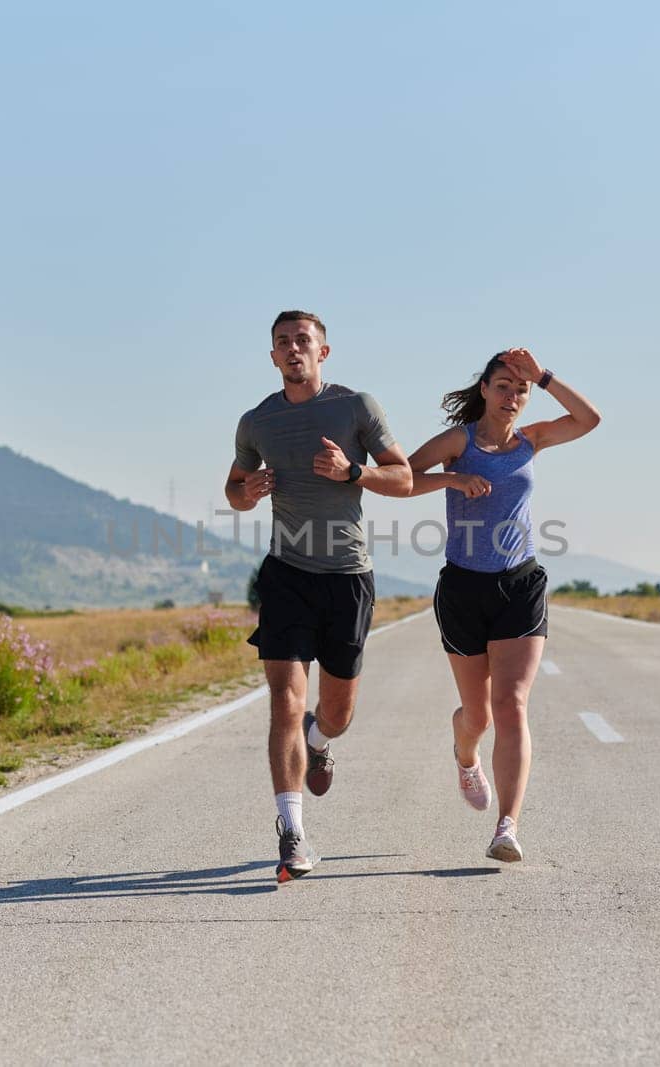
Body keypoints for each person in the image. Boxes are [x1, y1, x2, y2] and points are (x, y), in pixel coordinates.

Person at [226, 310, 413, 883]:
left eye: (302, 341)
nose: (292, 349)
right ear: (273, 355)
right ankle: (292, 833)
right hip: (287, 574)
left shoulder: (356, 407)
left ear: (323, 352)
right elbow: (233, 489)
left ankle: (320, 739)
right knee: (283, 699)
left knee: (337, 713)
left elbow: (403, 478)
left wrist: (351, 472)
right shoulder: (257, 422)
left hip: (347, 578)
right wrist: (247, 492)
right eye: (282, 343)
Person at [406, 348, 600, 862]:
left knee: (511, 704)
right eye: (503, 386)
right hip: (464, 588)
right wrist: (451, 478)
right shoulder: (459, 440)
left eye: (521, 389)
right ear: (485, 389)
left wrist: (547, 376)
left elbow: (589, 420)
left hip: (520, 583)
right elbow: (402, 478)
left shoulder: (531, 441)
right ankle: (465, 756)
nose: (512, 397)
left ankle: (507, 827)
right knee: (478, 715)